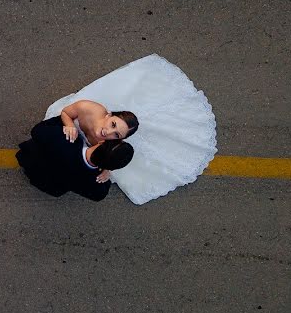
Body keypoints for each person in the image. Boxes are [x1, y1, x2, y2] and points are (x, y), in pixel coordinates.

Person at [44, 54, 217, 205]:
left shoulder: (108, 143)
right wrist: (68, 124)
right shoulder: (88, 108)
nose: (108, 133)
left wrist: (106, 170)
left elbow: (106, 157)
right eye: (112, 124)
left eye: (116, 134)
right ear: (108, 115)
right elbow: (66, 112)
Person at [16, 117, 134, 201]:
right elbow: (100, 195)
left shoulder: (65, 139)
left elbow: (36, 131)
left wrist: (66, 124)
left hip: (29, 160)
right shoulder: (95, 181)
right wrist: (106, 170)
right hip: (48, 186)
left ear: (102, 142)